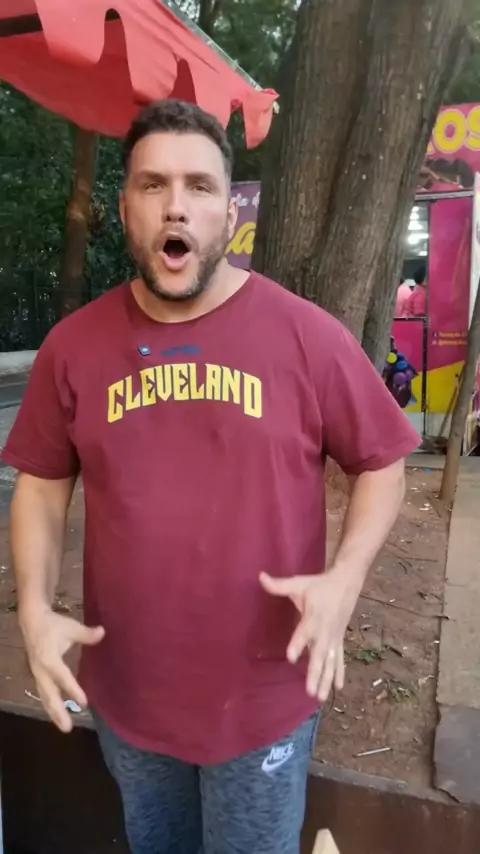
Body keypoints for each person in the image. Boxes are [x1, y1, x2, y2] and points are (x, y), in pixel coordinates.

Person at [2, 100, 420, 854]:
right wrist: (33, 604)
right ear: (124, 208)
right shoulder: (72, 348)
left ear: (229, 213)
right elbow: (40, 481)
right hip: (129, 694)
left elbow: (383, 460)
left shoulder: (306, 335)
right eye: (153, 184)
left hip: (264, 697)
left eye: (198, 186)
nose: (176, 206)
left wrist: (345, 577)